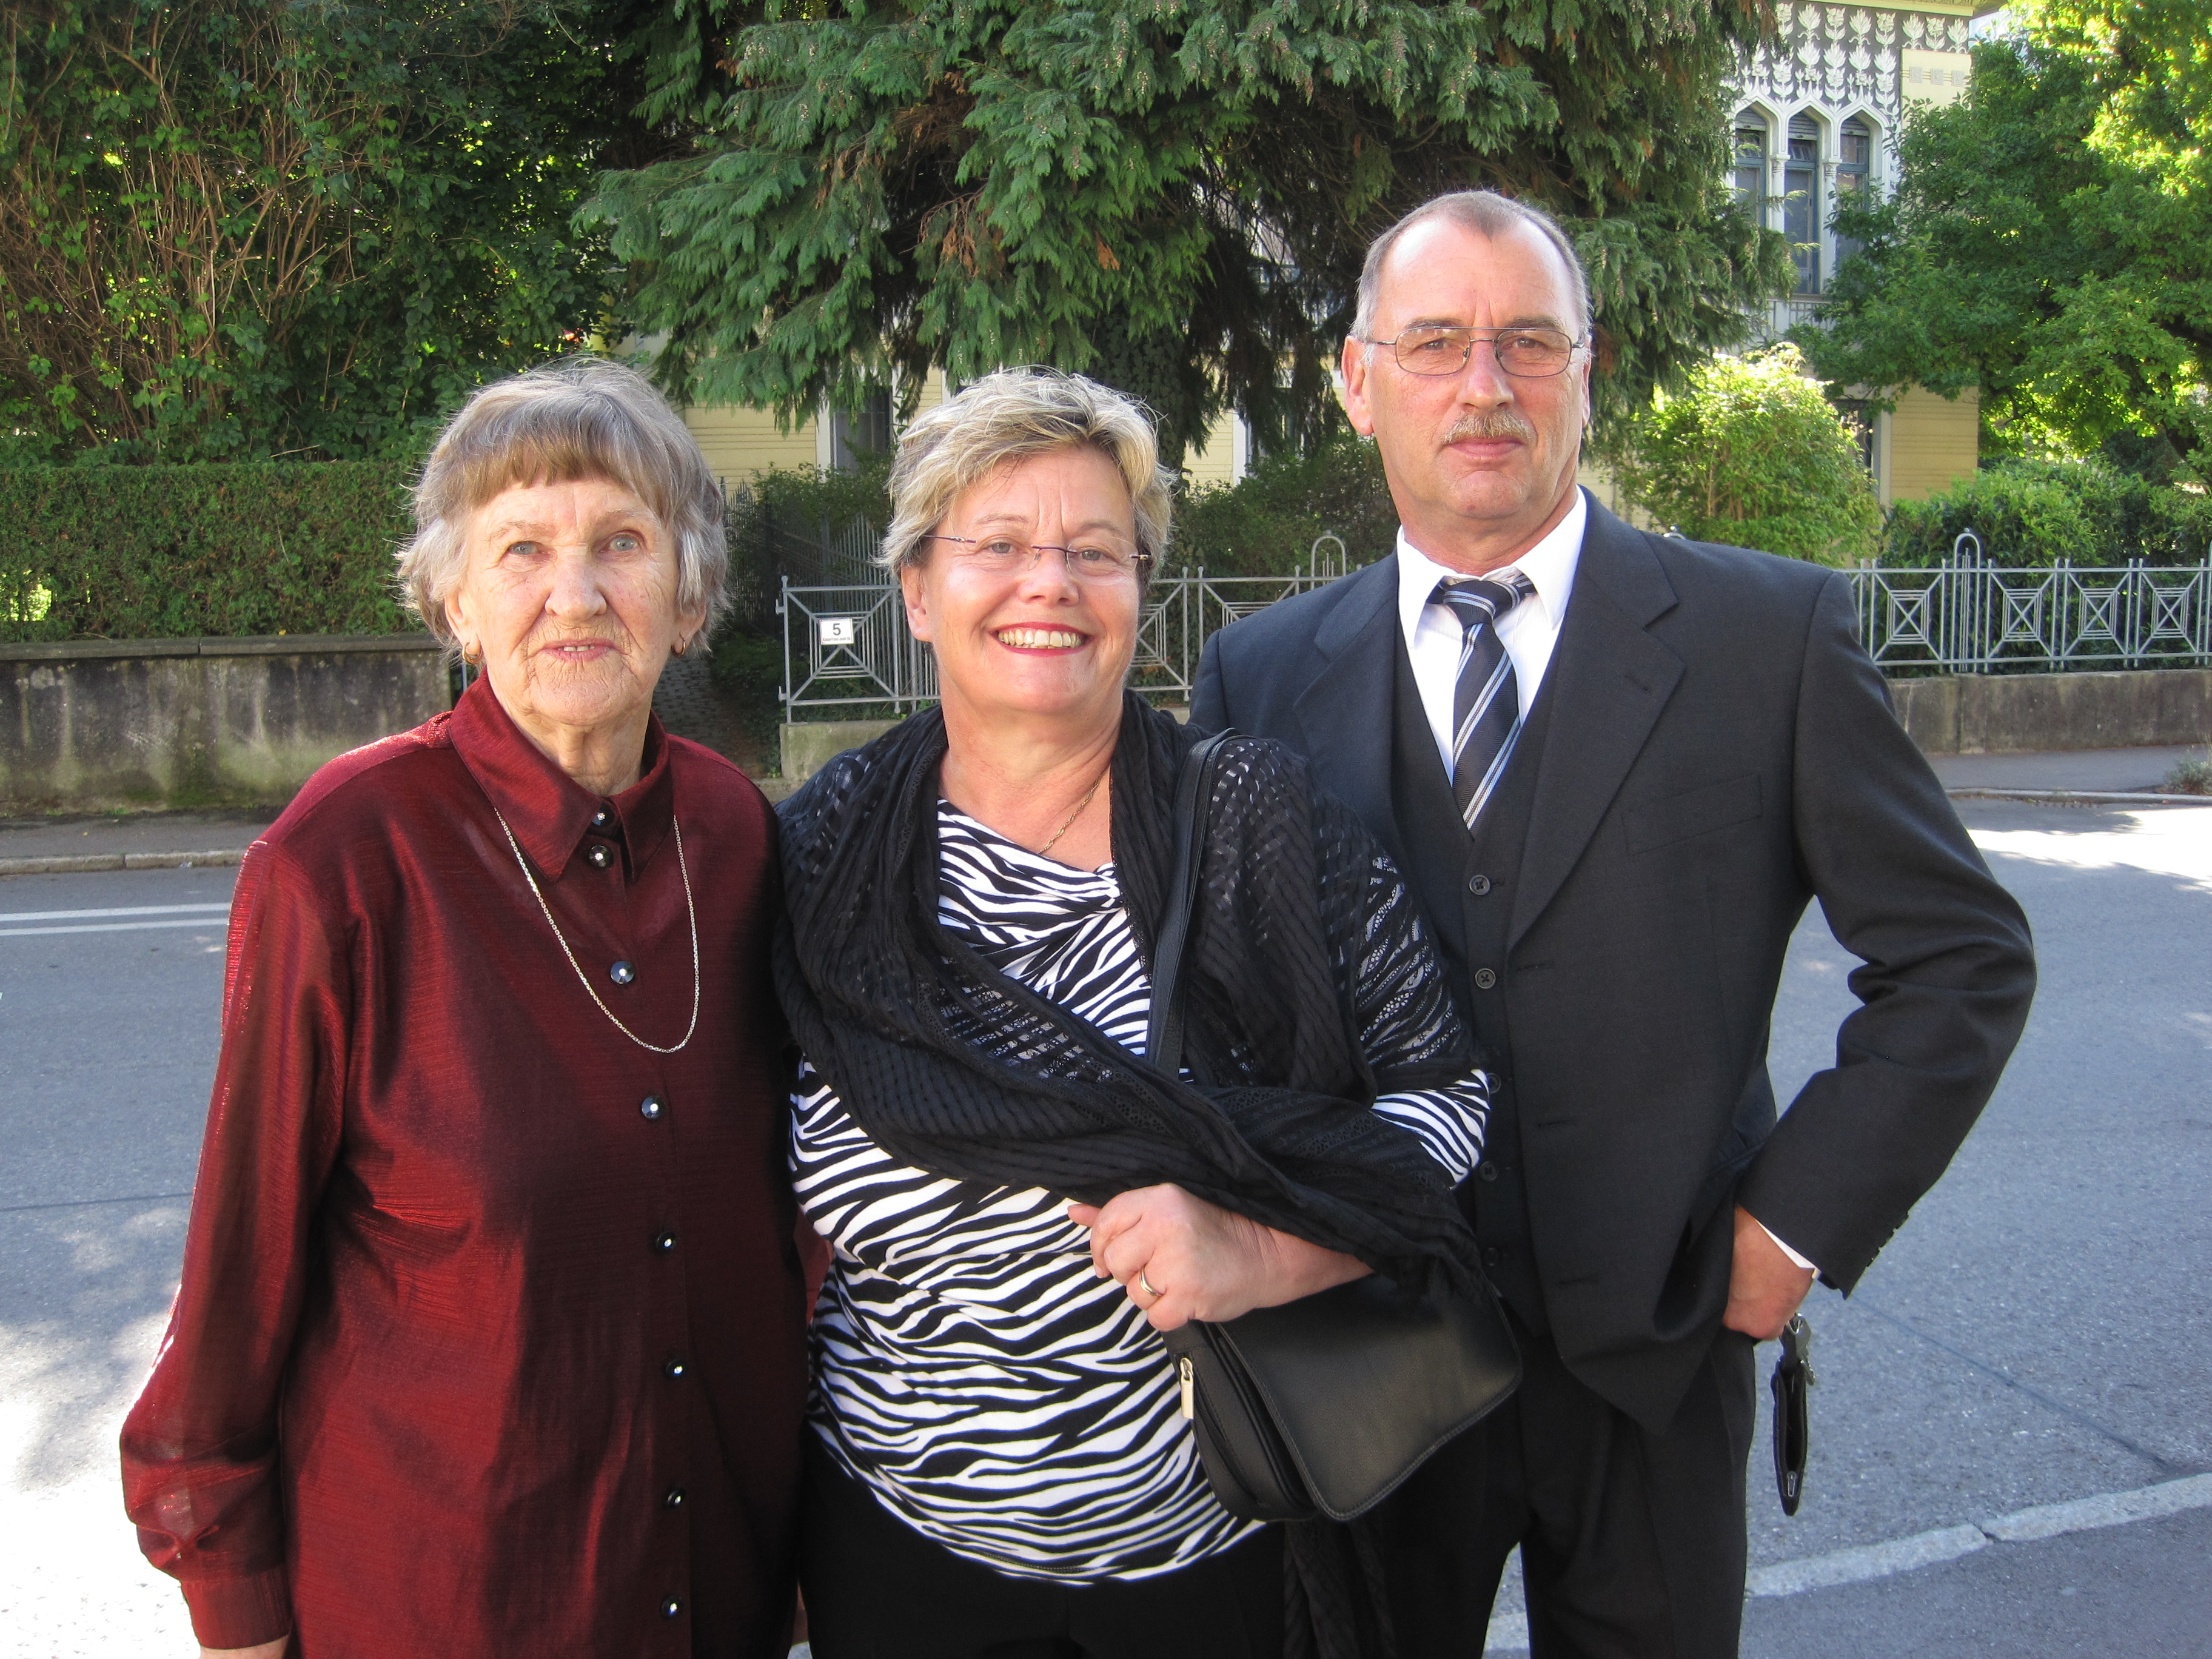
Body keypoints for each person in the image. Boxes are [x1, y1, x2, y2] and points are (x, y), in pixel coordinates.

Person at [1193, 190, 2037, 1658]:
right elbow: (1221, 1012)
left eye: (1529, 341)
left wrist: (1793, 1229)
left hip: (1660, 1356)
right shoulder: (1256, 675)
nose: (1484, 385)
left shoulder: (1766, 641)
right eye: (1436, 342)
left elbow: (1960, 961)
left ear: (1588, 370)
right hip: (1363, 1358)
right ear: (1358, 382)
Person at [775, 367, 1492, 1659]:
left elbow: (1446, 1100)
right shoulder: (822, 856)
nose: (1049, 583)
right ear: (918, 590)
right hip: (894, 1555)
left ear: (1139, 593)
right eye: (999, 545)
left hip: (1204, 1558)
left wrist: (1260, 1248)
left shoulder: (1255, 822)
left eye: (1095, 552)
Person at [120, 358, 809, 1659]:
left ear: (689, 592)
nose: (575, 593)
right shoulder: (344, 858)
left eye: (622, 543)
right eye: (522, 549)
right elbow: (236, 1278)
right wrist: (235, 1608)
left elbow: (791, 1215)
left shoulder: (737, 835)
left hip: (721, 1590)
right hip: (451, 1601)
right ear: (456, 599)